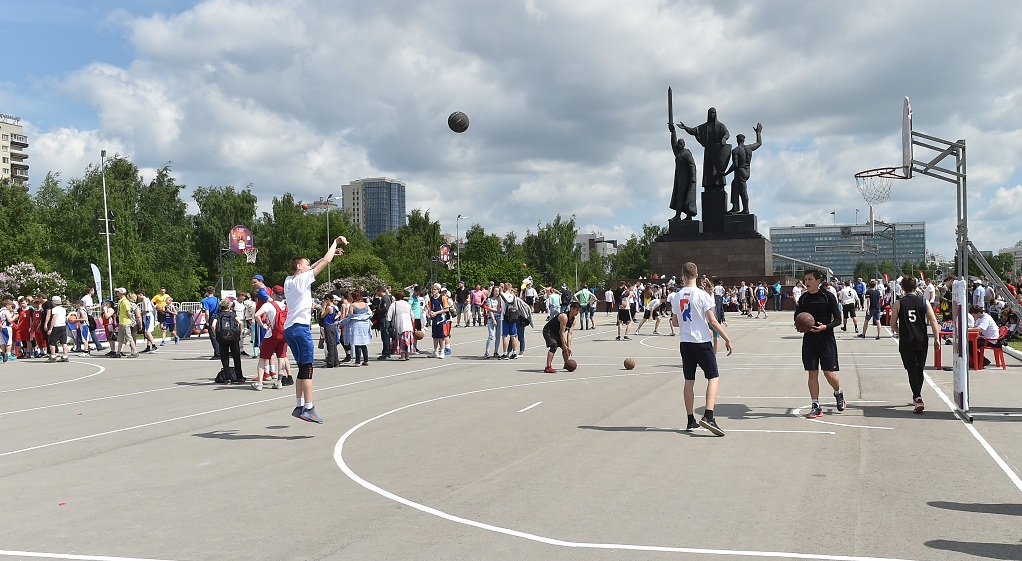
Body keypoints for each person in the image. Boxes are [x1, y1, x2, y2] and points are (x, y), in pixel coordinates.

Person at [283, 235, 348, 424]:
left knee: (302, 368)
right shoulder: (303, 280)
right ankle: (309, 408)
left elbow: (320, 262)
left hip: (289, 329)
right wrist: (334, 243)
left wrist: (331, 255)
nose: (309, 265)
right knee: (309, 369)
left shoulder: (289, 280)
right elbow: (325, 261)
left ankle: (298, 405)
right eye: (306, 263)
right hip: (301, 328)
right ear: (299, 267)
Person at [674, 262, 732, 436]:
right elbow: (713, 321)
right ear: (697, 275)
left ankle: (690, 419)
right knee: (713, 377)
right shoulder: (702, 295)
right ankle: (708, 415)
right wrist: (727, 338)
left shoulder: (677, 296)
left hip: (685, 342)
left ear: (683, 276)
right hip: (701, 341)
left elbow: (675, 322)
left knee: (689, 380)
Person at [795, 269, 845, 419]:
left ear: (818, 281)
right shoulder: (803, 299)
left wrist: (825, 327)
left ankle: (838, 392)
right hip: (809, 340)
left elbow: (838, 319)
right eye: (806, 279)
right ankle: (815, 405)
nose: (807, 282)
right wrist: (800, 326)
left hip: (826, 339)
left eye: (810, 279)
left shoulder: (828, 296)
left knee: (828, 373)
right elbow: (797, 318)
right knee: (812, 373)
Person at [890, 276, 941, 414]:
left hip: (907, 340)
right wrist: (937, 338)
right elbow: (933, 320)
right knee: (919, 369)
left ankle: (918, 397)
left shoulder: (898, 303)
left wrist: (901, 331)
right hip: (921, 339)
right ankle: (917, 395)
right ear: (916, 287)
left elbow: (892, 324)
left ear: (902, 287)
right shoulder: (924, 302)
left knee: (911, 369)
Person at [678, 108, 730, 192]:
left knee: (718, 171)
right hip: (709, 151)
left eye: (713, 113)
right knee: (708, 172)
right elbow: (694, 131)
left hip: (717, 152)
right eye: (710, 113)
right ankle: (708, 187)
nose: (712, 114)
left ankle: (719, 187)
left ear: (715, 114)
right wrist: (685, 127)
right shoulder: (705, 126)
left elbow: (727, 133)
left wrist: (724, 138)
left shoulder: (720, 126)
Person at [721, 124, 763, 215]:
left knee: (743, 190)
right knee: (735, 185)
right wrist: (758, 133)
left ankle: (746, 209)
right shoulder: (749, 148)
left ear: (737, 140)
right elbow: (759, 143)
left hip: (740, 171)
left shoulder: (736, 150)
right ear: (744, 140)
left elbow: (735, 165)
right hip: (747, 171)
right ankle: (735, 207)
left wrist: (725, 173)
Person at [253, 285, 288, 390]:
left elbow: (256, 315)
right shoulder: (285, 305)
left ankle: (259, 382)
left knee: (263, 358)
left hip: (271, 334)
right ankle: (279, 381)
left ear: (273, 293)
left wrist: (262, 324)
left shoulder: (269, 305)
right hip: (283, 334)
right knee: (281, 358)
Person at [667, 124, 698, 220]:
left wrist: (692, 179)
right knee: (679, 197)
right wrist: (673, 132)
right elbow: (673, 144)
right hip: (679, 179)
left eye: (681, 144)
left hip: (687, 179)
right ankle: (678, 216)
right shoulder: (678, 153)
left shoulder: (686, 153)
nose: (679, 145)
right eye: (678, 144)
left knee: (685, 197)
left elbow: (692, 166)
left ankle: (685, 216)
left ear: (684, 145)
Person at [212, 299, 244, 384]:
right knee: (236, 357)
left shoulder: (218, 315)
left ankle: (227, 378)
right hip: (233, 337)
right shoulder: (233, 314)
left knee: (225, 358)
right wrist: (240, 334)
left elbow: (213, 325)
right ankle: (240, 378)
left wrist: (216, 335)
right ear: (228, 306)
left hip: (222, 338)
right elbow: (240, 323)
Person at [543, 302, 580, 373]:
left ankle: (566, 364)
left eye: (579, 310)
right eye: (577, 310)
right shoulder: (564, 317)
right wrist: (563, 344)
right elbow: (562, 332)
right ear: (572, 309)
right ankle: (548, 367)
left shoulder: (573, 320)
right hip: (549, 331)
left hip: (557, 333)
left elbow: (570, 334)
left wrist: (568, 347)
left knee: (565, 348)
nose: (578, 312)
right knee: (554, 345)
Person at [967, 305, 999, 369]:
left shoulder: (986, 318)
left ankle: (982, 361)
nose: (973, 317)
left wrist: (966, 329)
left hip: (991, 340)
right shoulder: (980, 318)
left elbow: (979, 328)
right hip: (985, 338)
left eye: (973, 315)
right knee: (968, 344)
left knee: (970, 345)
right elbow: (975, 327)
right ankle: (978, 361)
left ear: (978, 313)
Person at [387, 290, 415, 360]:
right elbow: (412, 316)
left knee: (401, 340)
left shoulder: (394, 304)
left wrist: (389, 323)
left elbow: (388, 316)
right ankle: (407, 355)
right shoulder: (407, 304)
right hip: (408, 325)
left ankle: (402, 356)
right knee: (407, 340)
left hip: (400, 325)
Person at [46, 295, 70, 362]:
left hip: (56, 326)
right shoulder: (63, 309)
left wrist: (50, 328)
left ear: (53, 302)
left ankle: (53, 356)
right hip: (63, 326)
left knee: (52, 342)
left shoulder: (54, 309)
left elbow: (54, 319)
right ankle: (65, 356)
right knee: (63, 342)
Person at [200, 286, 220, 359]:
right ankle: (220, 352)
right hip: (218, 318)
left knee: (213, 336)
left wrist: (207, 321)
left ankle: (217, 353)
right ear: (213, 291)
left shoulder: (205, 301)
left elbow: (207, 312)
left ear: (207, 291)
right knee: (218, 335)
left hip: (211, 318)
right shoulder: (217, 299)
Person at [321, 295, 340, 367]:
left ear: (328, 300)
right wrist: (336, 318)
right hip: (332, 325)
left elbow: (322, 315)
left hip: (328, 326)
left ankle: (330, 362)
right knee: (333, 344)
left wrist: (324, 307)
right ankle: (336, 361)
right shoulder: (335, 307)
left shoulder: (329, 308)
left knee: (330, 344)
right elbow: (339, 313)